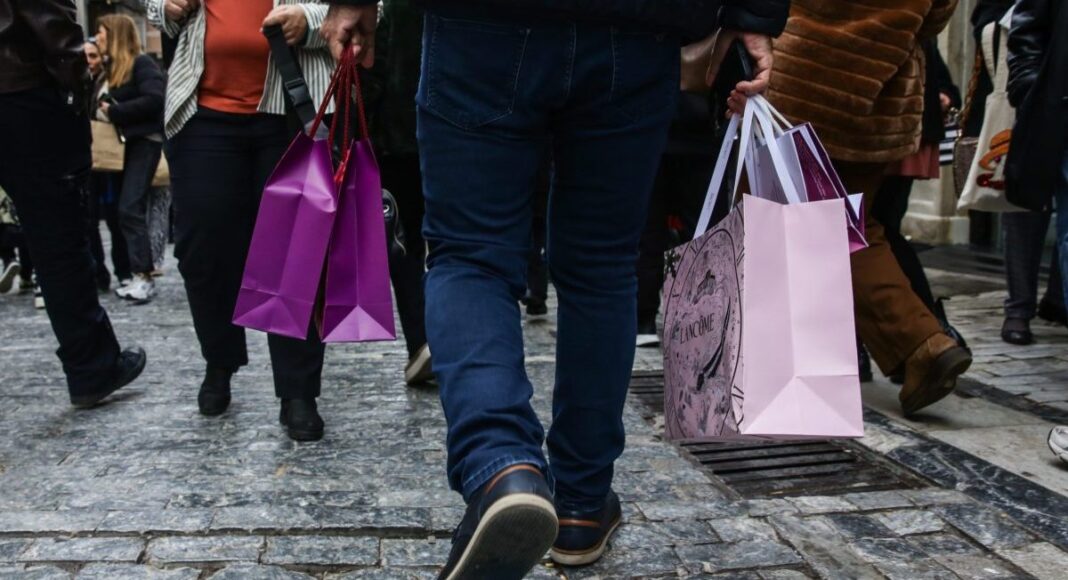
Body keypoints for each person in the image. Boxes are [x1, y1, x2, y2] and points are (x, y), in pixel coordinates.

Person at [323, 1, 787, 577]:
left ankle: (501, 465)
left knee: (471, 255)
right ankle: (581, 506)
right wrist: (753, 14)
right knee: (602, 266)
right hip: (638, 27)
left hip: (483, 28)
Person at [763, 0, 971, 418]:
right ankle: (917, 344)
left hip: (804, 83)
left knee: (786, 224)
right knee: (850, 228)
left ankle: (917, 343)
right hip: (879, 96)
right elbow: (936, 17)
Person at [144, 0, 335, 441]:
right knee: (202, 250)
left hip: (291, 108)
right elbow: (153, 5)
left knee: (293, 253)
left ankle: (298, 390)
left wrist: (308, 21)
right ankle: (220, 358)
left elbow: (368, 9)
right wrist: (165, 8)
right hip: (202, 114)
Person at [0, 0, 146, 407]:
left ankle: (92, 367)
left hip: (18, 92)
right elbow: (54, 29)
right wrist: (77, 91)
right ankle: (92, 368)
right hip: (22, 96)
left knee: (56, 237)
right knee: (58, 238)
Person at [361, 0, 433, 384]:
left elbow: (372, 74)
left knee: (405, 245)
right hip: (444, 134)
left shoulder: (386, 10)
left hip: (395, 140)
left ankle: (422, 342)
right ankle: (436, 340)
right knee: (446, 241)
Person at [1005, 0, 1068, 341]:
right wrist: (1032, 92)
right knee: (1027, 213)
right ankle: (1019, 307)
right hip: (1052, 108)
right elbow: (1024, 31)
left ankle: (1051, 300)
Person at [95, 14, 165, 304]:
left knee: (130, 207)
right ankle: (138, 273)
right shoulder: (112, 69)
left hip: (144, 143)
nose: (97, 37)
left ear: (115, 35)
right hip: (124, 147)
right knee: (124, 209)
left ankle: (143, 276)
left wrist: (115, 111)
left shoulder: (141, 64)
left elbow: (155, 99)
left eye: (101, 32)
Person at [84, 39, 133, 294]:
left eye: (93, 56)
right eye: (85, 56)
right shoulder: (77, 82)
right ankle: (98, 273)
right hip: (88, 160)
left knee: (115, 217)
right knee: (90, 219)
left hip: (111, 155)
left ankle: (124, 271)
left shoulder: (110, 80)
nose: (89, 61)